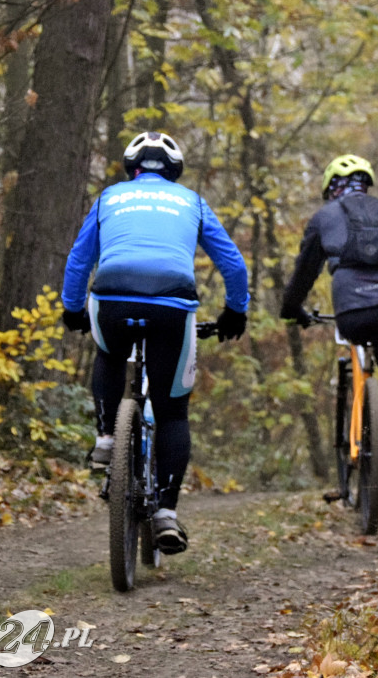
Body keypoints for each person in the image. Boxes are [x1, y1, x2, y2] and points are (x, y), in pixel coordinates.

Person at [61, 131, 249, 555]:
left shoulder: (110, 197)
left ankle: (107, 438)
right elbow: (233, 263)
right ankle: (166, 511)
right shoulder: (192, 201)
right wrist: (236, 311)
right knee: (172, 410)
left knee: (109, 351)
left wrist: (72, 308)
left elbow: (79, 258)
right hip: (173, 303)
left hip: (110, 296)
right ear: (175, 171)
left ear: (133, 169)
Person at [280, 154, 378, 448]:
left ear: (331, 188)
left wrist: (291, 308)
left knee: (364, 327)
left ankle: (357, 435)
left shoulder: (323, 218)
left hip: (353, 311)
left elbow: (304, 274)